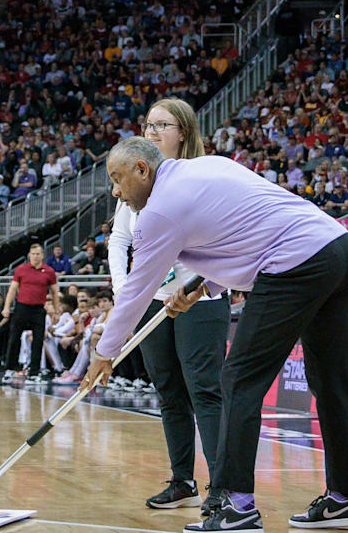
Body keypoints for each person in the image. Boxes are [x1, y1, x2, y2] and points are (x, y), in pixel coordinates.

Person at [82, 137, 348, 532]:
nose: (115, 190)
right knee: (331, 382)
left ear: (142, 170)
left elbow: (135, 291)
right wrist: (202, 287)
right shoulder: (204, 167)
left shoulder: (159, 209)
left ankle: (238, 505)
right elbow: (241, 231)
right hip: (337, 249)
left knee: (238, 379)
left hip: (293, 264)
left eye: (117, 178)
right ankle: (343, 498)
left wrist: (104, 351)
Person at [109, 98, 230, 514]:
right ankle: (183, 480)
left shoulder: (202, 174)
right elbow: (118, 241)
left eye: (163, 124)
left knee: (205, 391)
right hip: (151, 302)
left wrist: (195, 286)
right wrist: (128, 293)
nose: (152, 131)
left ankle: (223, 488)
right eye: (148, 124)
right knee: (168, 392)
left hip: (200, 298)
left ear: (184, 131)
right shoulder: (135, 178)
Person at [1, 243, 60, 384]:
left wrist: (56, 311)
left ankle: (34, 372)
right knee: (14, 339)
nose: (35, 256)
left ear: (42, 255)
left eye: (38, 254)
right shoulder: (21, 269)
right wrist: (6, 307)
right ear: (29, 255)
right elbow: (12, 289)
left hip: (39, 309)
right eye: (33, 254)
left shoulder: (49, 271)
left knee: (38, 340)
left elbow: (54, 293)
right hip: (22, 308)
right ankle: (10, 369)